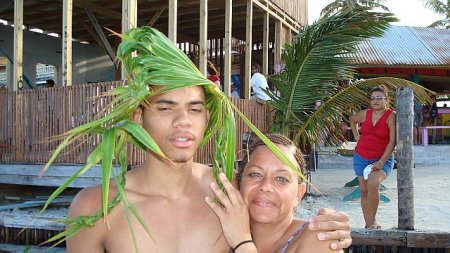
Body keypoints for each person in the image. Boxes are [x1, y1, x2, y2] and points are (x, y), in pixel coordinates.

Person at [62, 27, 352, 252]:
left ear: (207, 119)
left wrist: (327, 224)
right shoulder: (94, 207)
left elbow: (281, 224)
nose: (183, 121)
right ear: (139, 118)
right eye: (165, 107)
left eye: (195, 109)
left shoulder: (229, 191)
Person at [206, 133, 349, 253]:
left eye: (281, 179)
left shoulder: (320, 239)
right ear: (239, 183)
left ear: (299, 193)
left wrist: (242, 243)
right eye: (255, 174)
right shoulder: (220, 233)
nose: (266, 186)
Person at [349, 85, 396, 229]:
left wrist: (381, 161)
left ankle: (373, 220)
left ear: (386, 100)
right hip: (361, 156)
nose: (375, 101)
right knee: (363, 191)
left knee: (373, 184)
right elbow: (353, 120)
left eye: (379, 98)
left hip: (382, 159)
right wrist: (357, 136)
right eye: (372, 98)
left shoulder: (391, 115)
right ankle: (368, 223)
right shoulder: (365, 113)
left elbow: (392, 141)